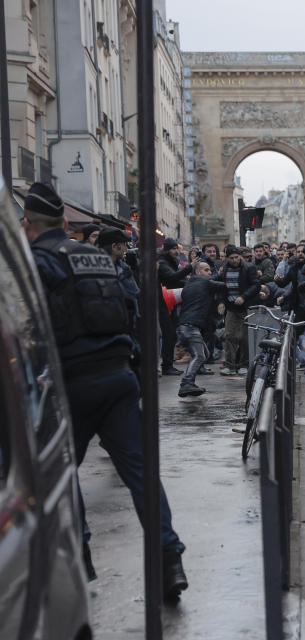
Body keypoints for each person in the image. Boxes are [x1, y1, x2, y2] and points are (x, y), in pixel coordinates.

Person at [22, 182, 188, 599]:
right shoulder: (96, 258)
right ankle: (170, 562)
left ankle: (80, 557)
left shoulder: (35, 263)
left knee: (59, 475)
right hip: (118, 377)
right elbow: (131, 309)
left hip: (68, 384)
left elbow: (26, 331)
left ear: (28, 225)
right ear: (64, 223)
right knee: (141, 474)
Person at [177, 262, 227, 397]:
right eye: (206, 270)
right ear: (198, 272)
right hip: (190, 326)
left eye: (210, 270)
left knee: (203, 353)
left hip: (186, 326)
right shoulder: (203, 281)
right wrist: (225, 275)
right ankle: (186, 384)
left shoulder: (189, 284)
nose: (210, 273)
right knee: (200, 355)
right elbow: (223, 286)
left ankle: (190, 383)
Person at [217, 245, 259, 375]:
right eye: (231, 258)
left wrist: (244, 296)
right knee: (230, 336)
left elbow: (256, 284)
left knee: (245, 338)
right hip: (231, 307)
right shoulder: (224, 268)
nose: (235, 260)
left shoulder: (249, 267)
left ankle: (244, 364)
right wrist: (221, 302)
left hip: (246, 307)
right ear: (227, 258)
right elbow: (221, 286)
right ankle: (230, 365)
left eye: (236, 257)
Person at [158, 237, 193, 375]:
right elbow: (172, 278)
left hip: (168, 302)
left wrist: (191, 283)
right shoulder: (161, 262)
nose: (176, 251)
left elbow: (175, 281)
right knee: (168, 334)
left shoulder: (170, 261)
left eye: (176, 248)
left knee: (170, 334)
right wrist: (190, 267)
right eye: (173, 249)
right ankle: (166, 366)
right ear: (166, 249)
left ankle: (167, 364)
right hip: (161, 303)